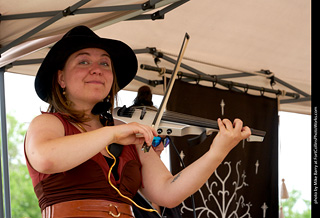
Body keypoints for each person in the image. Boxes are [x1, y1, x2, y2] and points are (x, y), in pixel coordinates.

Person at [24, 25, 251, 218]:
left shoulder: (124, 130)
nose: (97, 70)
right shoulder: (49, 123)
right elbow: (46, 159)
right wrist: (112, 134)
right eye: (83, 62)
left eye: (105, 64)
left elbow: (167, 193)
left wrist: (217, 152)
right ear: (61, 78)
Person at [129, 86, 182, 217]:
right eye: (154, 140)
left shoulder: (168, 187)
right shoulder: (121, 191)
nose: (161, 147)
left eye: (165, 141)